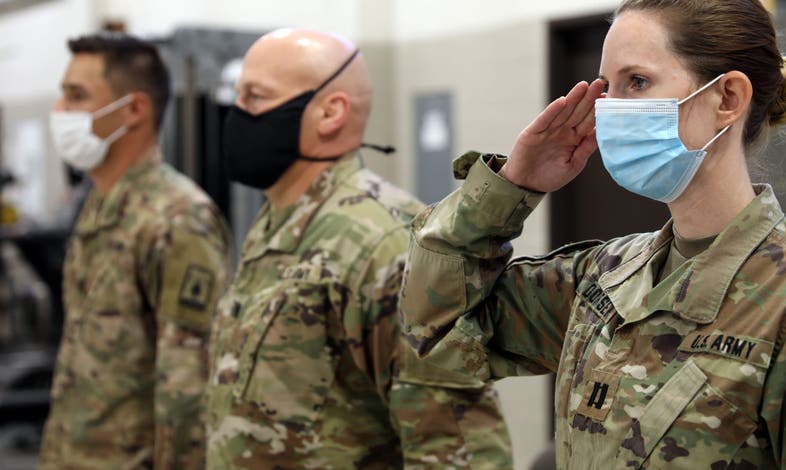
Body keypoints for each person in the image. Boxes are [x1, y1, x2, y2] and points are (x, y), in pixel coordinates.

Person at [400, 1, 786, 468]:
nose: (609, 110)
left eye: (638, 83)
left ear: (727, 98)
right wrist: (510, 186)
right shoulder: (604, 281)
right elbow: (434, 327)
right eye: (607, 88)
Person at [204, 29, 512, 468]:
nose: (237, 114)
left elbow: (456, 447)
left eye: (255, 96)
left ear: (330, 113)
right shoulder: (279, 220)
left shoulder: (381, 240)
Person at [39, 33, 232, 469]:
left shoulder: (177, 218)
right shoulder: (101, 204)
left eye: (77, 96)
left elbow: (189, 387)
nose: (60, 112)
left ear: (133, 110)